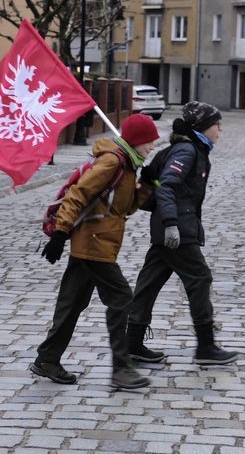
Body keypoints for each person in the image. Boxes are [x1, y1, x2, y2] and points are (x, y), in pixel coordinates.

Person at [32, 113, 159, 390]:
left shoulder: (128, 166)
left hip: (98, 243)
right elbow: (79, 194)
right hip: (93, 244)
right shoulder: (113, 161)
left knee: (72, 303)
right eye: (149, 142)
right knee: (122, 298)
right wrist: (61, 233)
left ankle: (47, 359)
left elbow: (122, 210)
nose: (152, 147)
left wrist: (146, 185)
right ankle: (121, 369)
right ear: (136, 141)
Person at [127, 101, 239, 366]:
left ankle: (132, 343)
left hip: (170, 226)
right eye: (216, 124)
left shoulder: (189, 149)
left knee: (149, 283)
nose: (220, 129)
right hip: (177, 230)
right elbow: (166, 187)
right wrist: (171, 224)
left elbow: (158, 184)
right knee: (200, 278)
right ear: (202, 127)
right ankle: (206, 347)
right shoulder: (187, 151)